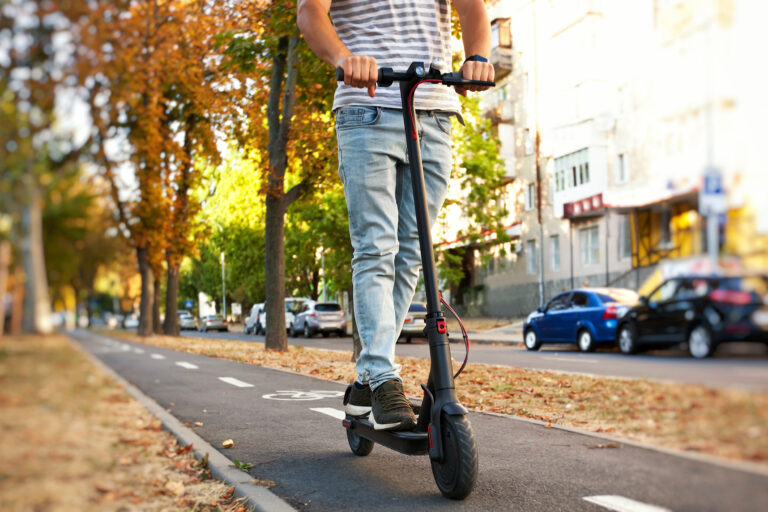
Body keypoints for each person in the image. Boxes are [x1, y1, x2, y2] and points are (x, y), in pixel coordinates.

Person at [298, 0, 494, 430]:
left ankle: (367, 380)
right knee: (376, 247)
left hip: (437, 112)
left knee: (412, 253)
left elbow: (472, 8)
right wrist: (345, 58)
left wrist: (477, 56)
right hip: (366, 106)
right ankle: (384, 378)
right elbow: (310, 11)